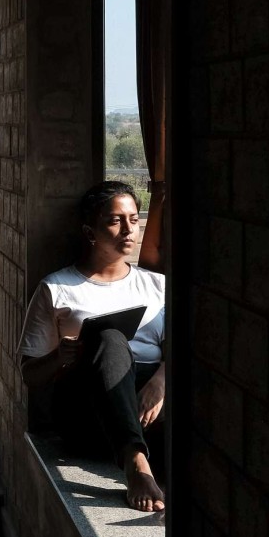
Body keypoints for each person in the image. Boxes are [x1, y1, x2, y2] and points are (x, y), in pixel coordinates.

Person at [19, 180, 166, 513]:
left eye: (134, 218)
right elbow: (29, 375)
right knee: (110, 338)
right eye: (115, 220)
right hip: (88, 411)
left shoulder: (158, 286)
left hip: (149, 405)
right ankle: (135, 464)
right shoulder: (57, 287)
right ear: (90, 232)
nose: (128, 229)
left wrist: (160, 383)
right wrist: (60, 356)